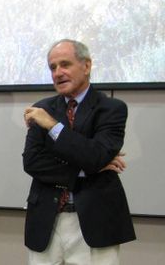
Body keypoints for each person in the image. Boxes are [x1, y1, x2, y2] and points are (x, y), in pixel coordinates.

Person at [23, 39, 135, 264]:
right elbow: (33, 162)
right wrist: (86, 169)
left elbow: (95, 156)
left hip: (96, 220)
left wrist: (53, 126)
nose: (58, 73)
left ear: (86, 66)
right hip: (46, 219)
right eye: (52, 67)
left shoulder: (112, 109)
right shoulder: (42, 108)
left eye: (65, 64)